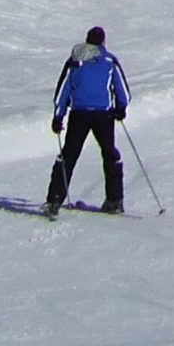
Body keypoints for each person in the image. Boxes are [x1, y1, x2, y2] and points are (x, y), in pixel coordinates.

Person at [45, 26, 132, 215]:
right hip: (103, 115)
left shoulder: (75, 60)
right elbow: (123, 91)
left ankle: (54, 200)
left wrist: (58, 116)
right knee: (110, 154)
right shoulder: (109, 60)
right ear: (103, 42)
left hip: (79, 114)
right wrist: (121, 108)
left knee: (68, 155)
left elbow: (63, 91)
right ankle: (114, 200)